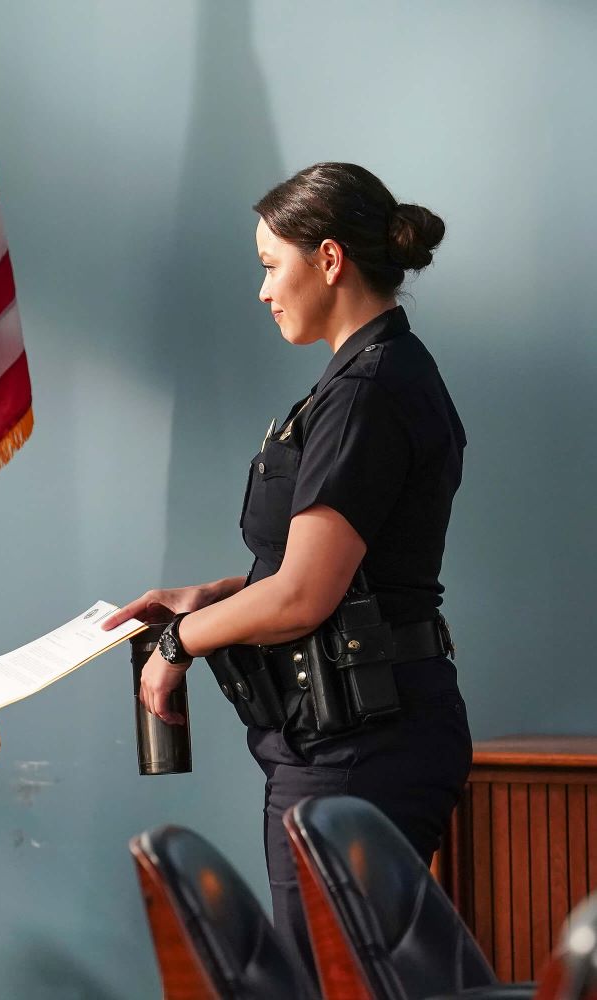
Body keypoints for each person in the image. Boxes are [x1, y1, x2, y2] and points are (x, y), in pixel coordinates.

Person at [106, 162, 469, 969]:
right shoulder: (359, 381)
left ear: (330, 259)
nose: (265, 289)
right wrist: (210, 595)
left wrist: (179, 643)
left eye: (273, 264)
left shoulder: (370, 390)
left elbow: (305, 596)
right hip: (345, 739)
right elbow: (325, 574)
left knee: (330, 982)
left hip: (361, 748)